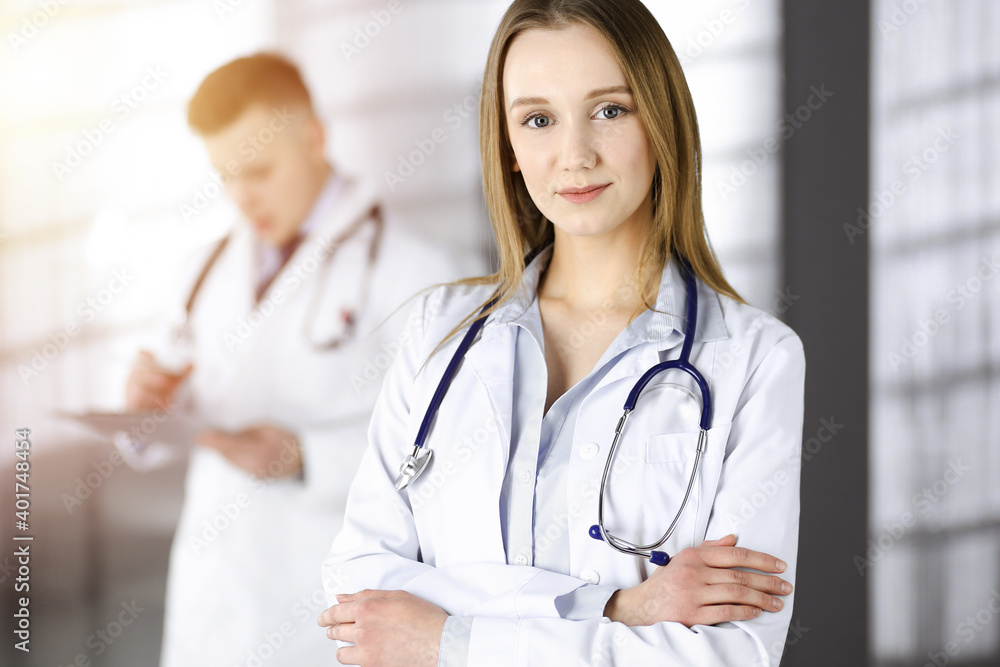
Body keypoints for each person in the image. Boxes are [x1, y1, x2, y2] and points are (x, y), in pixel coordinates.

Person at [318, 1, 807, 665]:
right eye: (539, 119)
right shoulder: (438, 334)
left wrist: (448, 638)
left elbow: (727, 655)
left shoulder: (754, 360)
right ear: (510, 147)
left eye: (610, 109)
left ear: (660, 119)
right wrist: (616, 607)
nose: (574, 155)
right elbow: (359, 597)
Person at [123, 53, 469, 666]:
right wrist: (142, 400)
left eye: (257, 169)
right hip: (213, 602)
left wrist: (307, 458)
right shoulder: (202, 270)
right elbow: (162, 402)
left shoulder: (418, 273)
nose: (241, 196)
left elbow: (458, 450)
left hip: (326, 601)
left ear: (314, 137)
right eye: (224, 174)